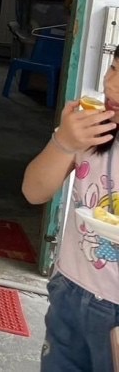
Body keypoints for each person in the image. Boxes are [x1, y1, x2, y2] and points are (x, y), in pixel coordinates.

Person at [23, 55, 119, 371]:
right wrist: (63, 142)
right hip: (72, 292)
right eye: (114, 68)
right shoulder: (90, 130)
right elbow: (33, 192)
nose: (112, 84)